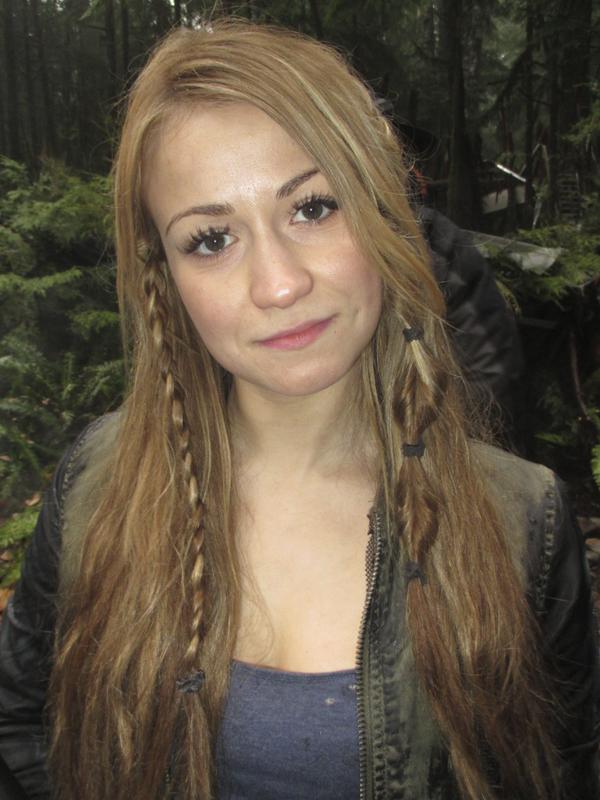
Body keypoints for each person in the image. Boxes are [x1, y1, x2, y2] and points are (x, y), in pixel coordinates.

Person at [0, 19, 598, 800]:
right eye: (211, 239)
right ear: (164, 278)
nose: (279, 284)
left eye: (313, 208)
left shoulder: (522, 523)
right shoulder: (98, 483)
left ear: (383, 211)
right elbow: (20, 731)